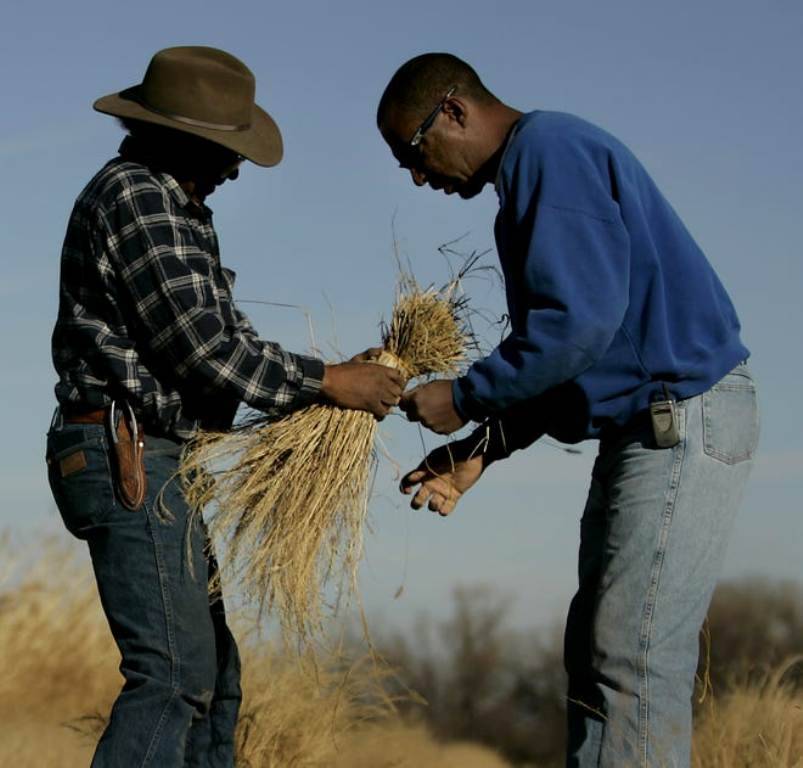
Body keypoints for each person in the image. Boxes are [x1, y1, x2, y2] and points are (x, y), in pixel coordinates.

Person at [377, 52, 758, 767]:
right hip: (640, 430)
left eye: (413, 151)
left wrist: (463, 397)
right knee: (595, 661)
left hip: (678, 419)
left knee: (632, 661)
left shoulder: (550, 153)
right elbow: (579, 350)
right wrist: (482, 448)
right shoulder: (533, 172)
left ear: (453, 110)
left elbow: (577, 326)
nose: (419, 175)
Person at [47, 46, 403, 768]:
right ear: (179, 137)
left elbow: (224, 339)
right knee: (173, 677)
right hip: (131, 456)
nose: (233, 168)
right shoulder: (138, 198)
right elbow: (207, 350)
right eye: (222, 150)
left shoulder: (174, 206)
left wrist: (336, 376)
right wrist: (328, 383)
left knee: (215, 681)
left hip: (159, 457)